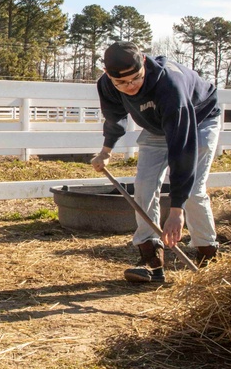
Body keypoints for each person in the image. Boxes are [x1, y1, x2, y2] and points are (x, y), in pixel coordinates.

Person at [90, 42, 221, 282]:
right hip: (156, 126)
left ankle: (207, 254)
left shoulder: (171, 87)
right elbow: (114, 117)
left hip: (198, 120)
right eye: (122, 83)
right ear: (108, 75)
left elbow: (182, 151)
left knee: (192, 191)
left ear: (144, 65)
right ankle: (151, 258)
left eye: (136, 79)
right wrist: (106, 151)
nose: (130, 87)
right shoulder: (107, 84)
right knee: (144, 186)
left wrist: (176, 211)